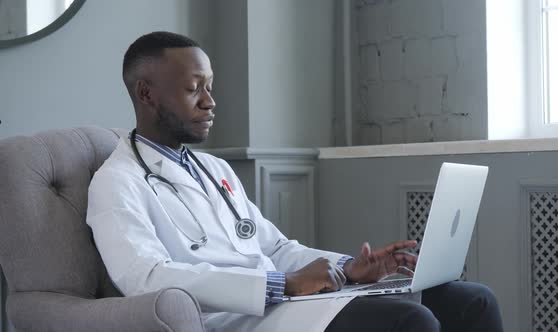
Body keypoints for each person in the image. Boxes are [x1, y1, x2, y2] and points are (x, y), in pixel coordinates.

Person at [86, 31, 503, 332]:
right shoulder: (117, 182)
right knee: (408, 320)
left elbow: (275, 247)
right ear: (146, 94)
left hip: (288, 301)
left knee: (473, 300)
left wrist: (350, 268)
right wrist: (279, 283)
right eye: (195, 89)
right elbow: (145, 278)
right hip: (238, 316)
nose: (211, 102)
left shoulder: (214, 170)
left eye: (210, 87)